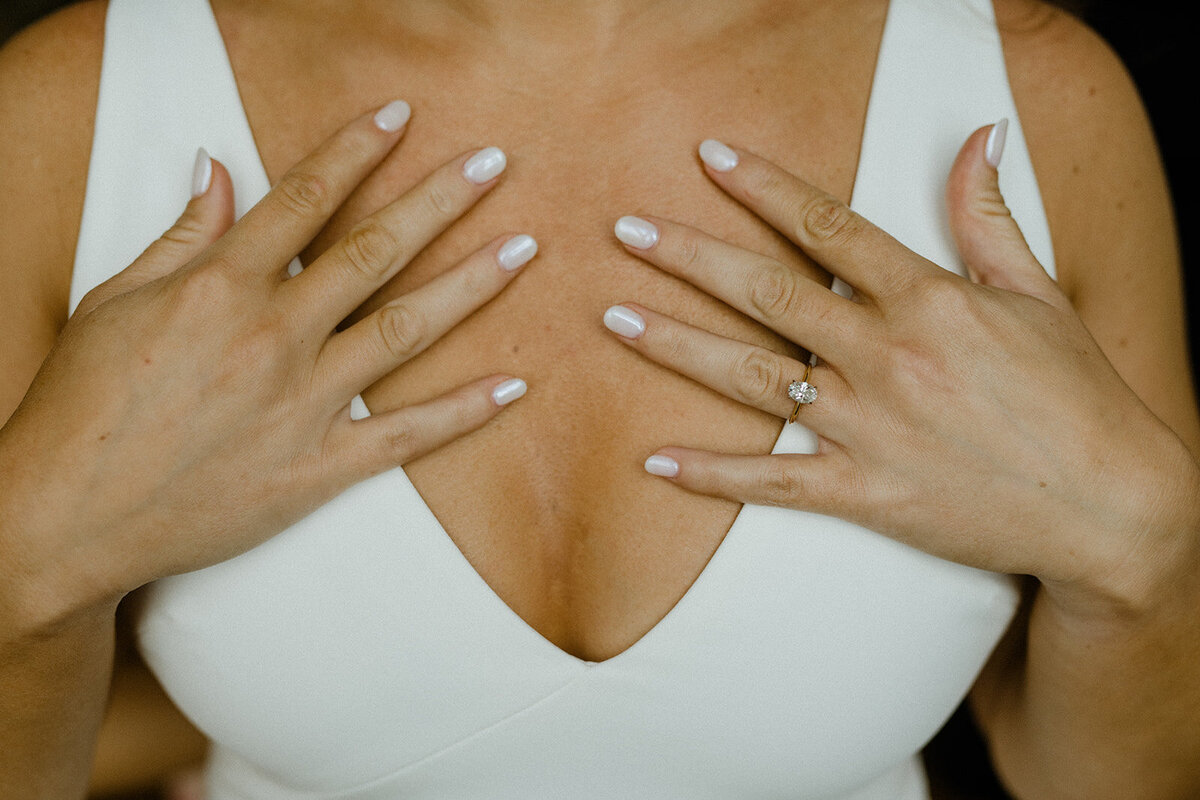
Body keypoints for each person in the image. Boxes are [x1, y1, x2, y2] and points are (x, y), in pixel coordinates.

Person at [1, 0, 1197, 798]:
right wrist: (30, 575)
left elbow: (1091, 773)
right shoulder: (70, 111)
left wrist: (1145, 561)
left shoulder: (1032, 99)